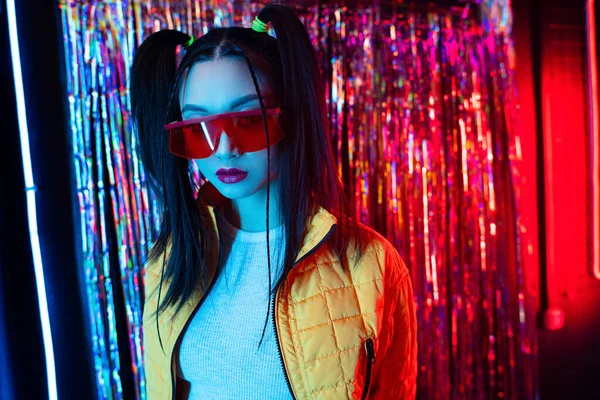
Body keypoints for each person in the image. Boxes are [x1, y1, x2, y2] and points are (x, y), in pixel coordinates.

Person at [130, 4, 417, 399]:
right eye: (198, 127)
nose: (224, 149)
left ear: (291, 116)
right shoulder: (170, 258)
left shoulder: (370, 263)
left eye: (248, 119)